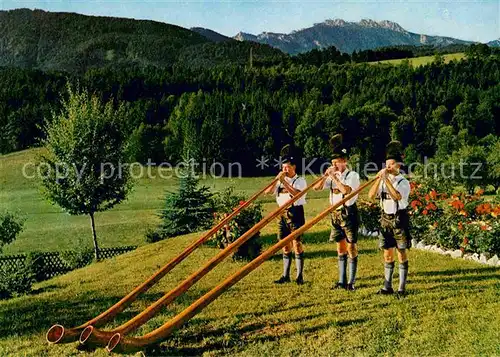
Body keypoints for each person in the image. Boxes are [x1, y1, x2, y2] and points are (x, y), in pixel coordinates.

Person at [313, 134, 360, 291]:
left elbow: (346, 191)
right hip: (335, 214)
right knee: (340, 247)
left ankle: (351, 282)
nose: (334, 165)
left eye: (337, 162)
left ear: (344, 161)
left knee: (351, 247)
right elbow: (316, 188)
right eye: (332, 162)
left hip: (348, 213)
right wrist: (324, 176)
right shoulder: (332, 175)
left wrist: (335, 178)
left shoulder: (352, 175)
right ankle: (341, 281)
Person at [368, 141, 411, 297]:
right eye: (387, 165)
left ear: (398, 165)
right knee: (387, 254)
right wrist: (378, 180)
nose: (388, 167)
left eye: (391, 165)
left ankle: (401, 288)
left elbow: (396, 196)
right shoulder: (383, 181)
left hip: (399, 219)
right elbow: (371, 196)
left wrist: (385, 180)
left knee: (401, 253)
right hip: (385, 220)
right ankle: (387, 287)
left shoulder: (403, 182)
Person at [265, 145, 307, 285]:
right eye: (283, 167)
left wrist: (284, 182)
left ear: (294, 167)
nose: (285, 170)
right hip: (282, 213)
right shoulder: (279, 180)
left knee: (297, 244)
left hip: (295, 213)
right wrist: (277, 180)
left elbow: (296, 194)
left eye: (287, 167)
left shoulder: (300, 180)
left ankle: (299, 275)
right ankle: (285, 275)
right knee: (284, 244)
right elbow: (268, 192)